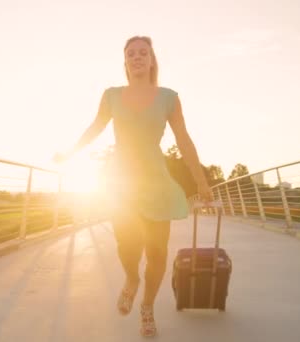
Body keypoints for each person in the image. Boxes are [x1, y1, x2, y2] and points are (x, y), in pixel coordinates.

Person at [54, 35, 213, 337]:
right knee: (127, 247)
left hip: (157, 182)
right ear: (125, 62)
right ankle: (131, 280)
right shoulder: (112, 95)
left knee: (157, 253)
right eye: (131, 54)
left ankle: (148, 306)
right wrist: (70, 153)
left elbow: (184, 140)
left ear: (152, 60)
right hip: (121, 183)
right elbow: (95, 128)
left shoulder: (169, 97)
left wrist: (201, 181)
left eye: (143, 53)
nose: (137, 57)